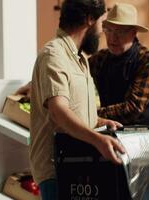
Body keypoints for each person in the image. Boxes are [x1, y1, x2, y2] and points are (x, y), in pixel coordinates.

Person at [28, 1, 125, 199]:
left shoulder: (80, 60)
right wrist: (98, 139)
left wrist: (99, 122)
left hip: (78, 166)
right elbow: (59, 111)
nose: (101, 31)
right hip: (58, 172)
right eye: (102, 23)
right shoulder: (53, 55)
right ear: (89, 19)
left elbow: (74, 110)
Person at [89, 2, 149, 126]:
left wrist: (90, 115)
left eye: (120, 32)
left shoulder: (148, 59)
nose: (113, 38)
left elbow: (133, 108)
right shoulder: (100, 59)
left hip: (148, 132)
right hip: (115, 130)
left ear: (134, 32)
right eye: (109, 30)